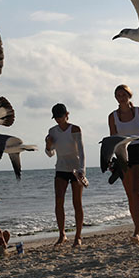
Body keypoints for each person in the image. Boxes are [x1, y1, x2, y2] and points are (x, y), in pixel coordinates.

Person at [108, 84, 139, 244]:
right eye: (118, 95)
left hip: (138, 150)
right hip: (122, 153)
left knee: (137, 191)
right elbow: (112, 140)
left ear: (129, 95)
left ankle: (137, 231)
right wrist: (111, 160)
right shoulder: (112, 116)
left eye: (124, 94)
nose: (121, 97)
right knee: (130, 195)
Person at [45, 103, 87, 246]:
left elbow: (81, 151)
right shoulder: (52, 131)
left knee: (77, 202)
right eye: (56, 117)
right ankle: (62, 234)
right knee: (59, 200)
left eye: (60, 116)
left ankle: (78, 236)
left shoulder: (74, 129)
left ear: (66, 114)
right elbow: (50, 154)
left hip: (76, 168)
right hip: (61, 168)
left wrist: (82, 170)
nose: (58, 119)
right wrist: (48, 145)